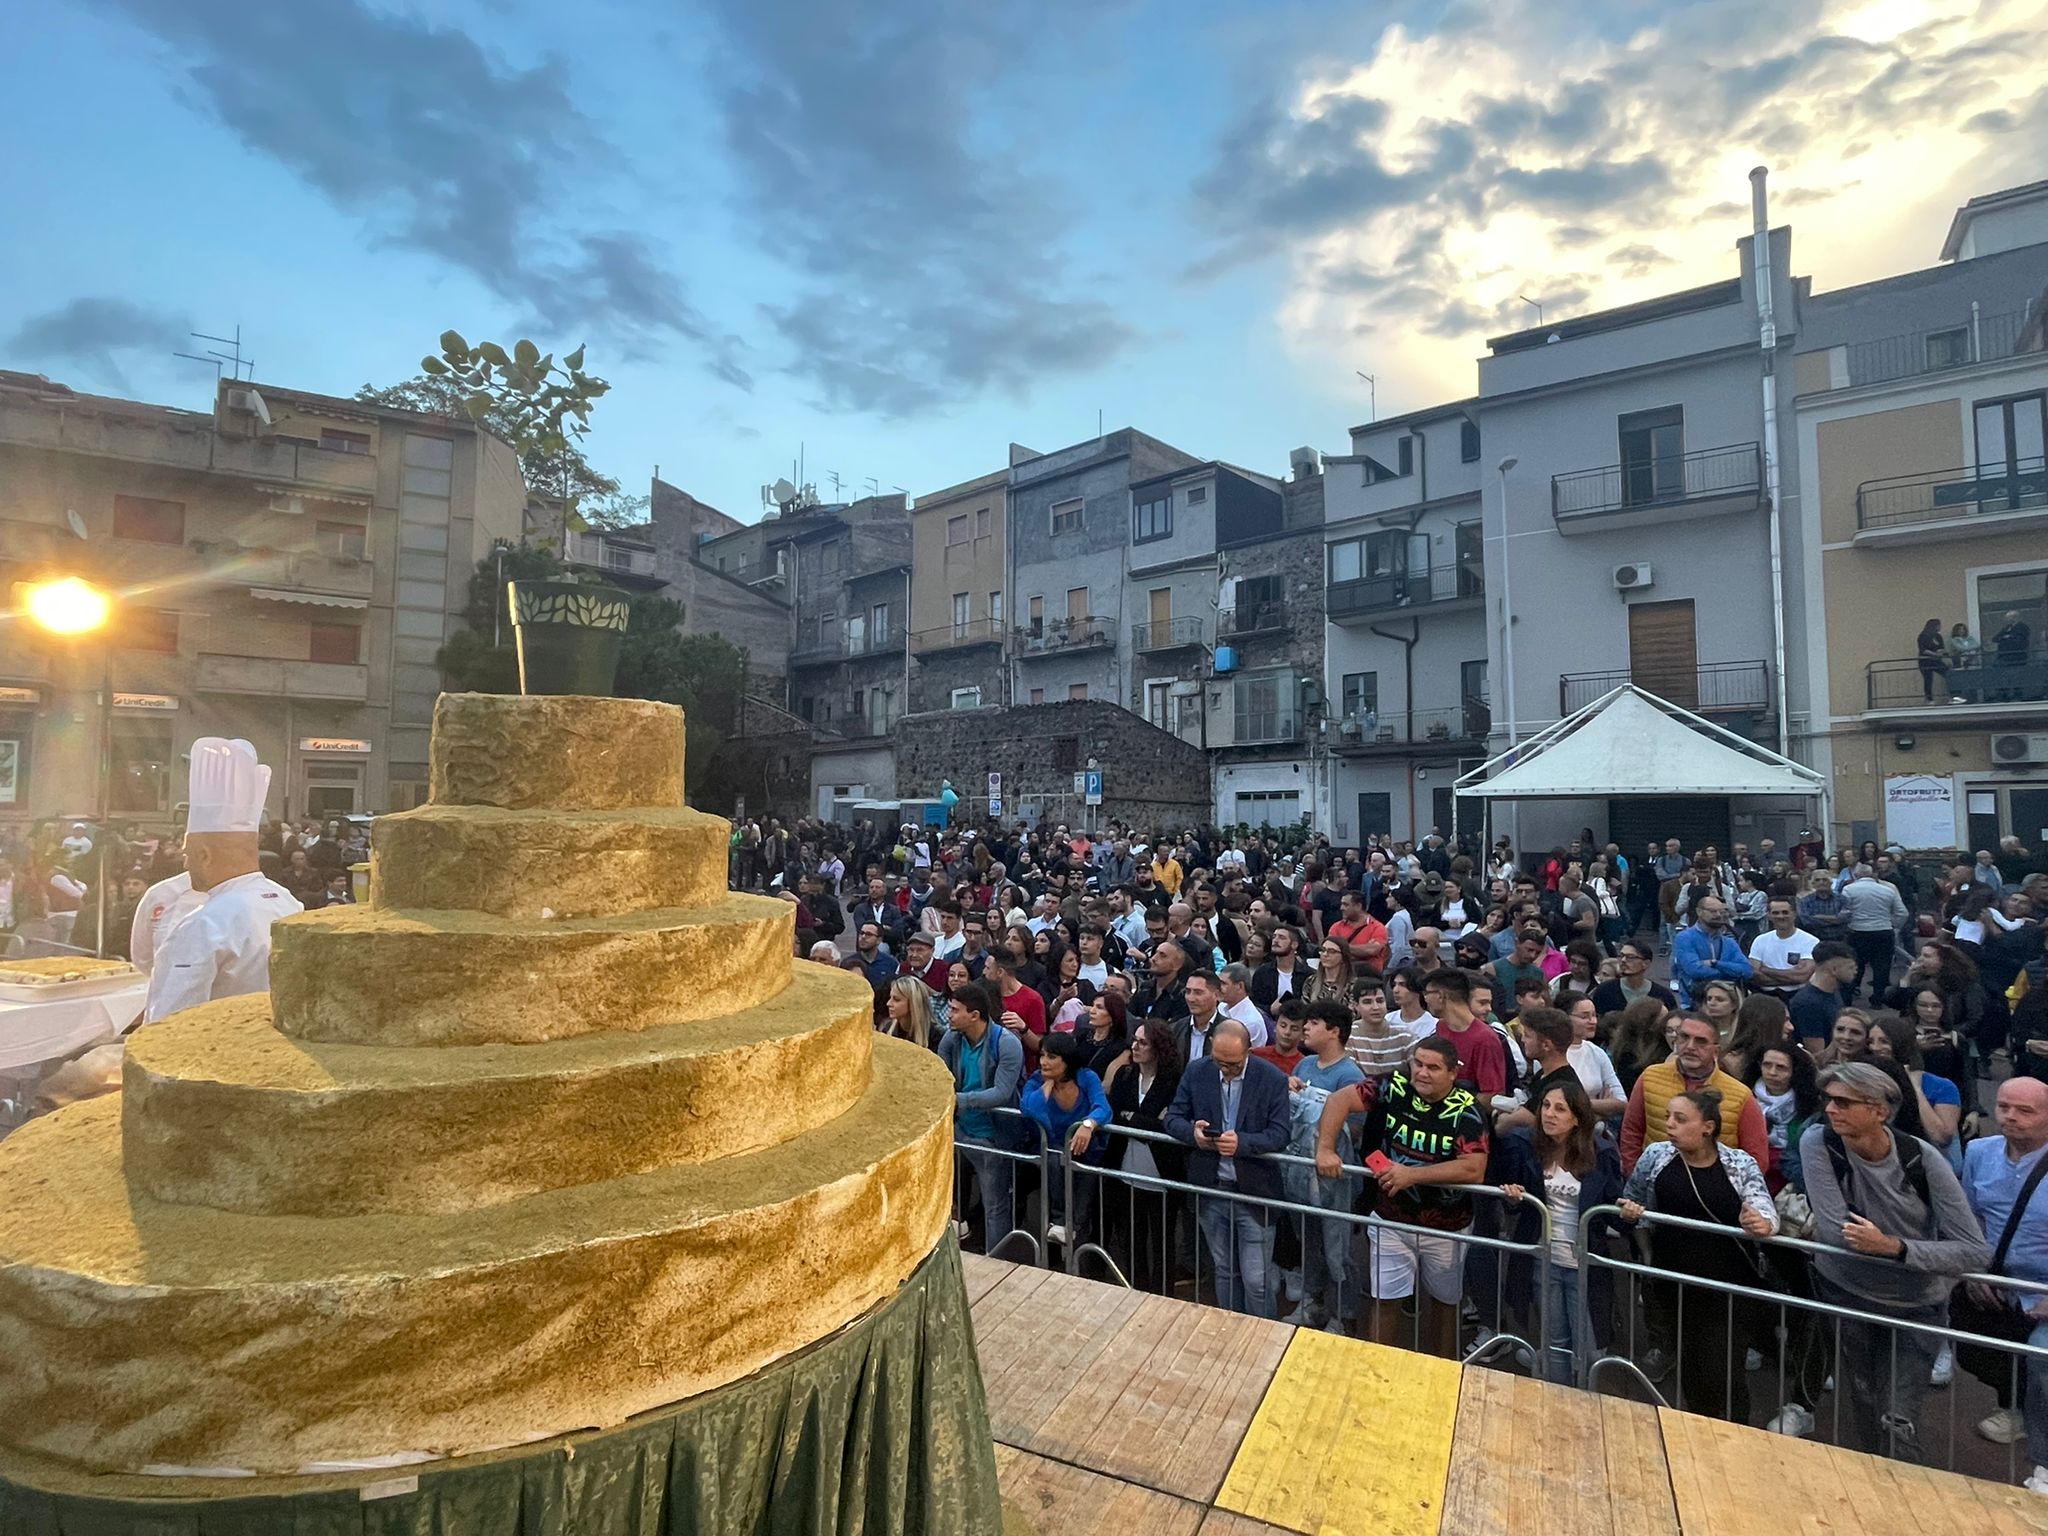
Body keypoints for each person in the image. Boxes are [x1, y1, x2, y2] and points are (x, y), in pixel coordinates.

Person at [1800, 1062, 1990, 1461]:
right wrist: (1883, 1246)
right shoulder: (1819, 1141)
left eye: (1843, 1102)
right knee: (1865, 1400)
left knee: (1898, 1416)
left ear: (1879, 1111)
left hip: (1914, 1305)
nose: (1830, 1109)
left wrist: (1895, 1247)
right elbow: (1838, 1233)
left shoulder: (1922, 1159)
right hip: (1846, 1293)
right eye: (1828, 1099)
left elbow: (1974, 1250)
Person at [1315, 1034, 1489, 1356]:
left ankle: (1444, 1373)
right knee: (1384, 1299)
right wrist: (1325, 1149)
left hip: (1446, 1227)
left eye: (1433, 1067)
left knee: (1445, 1303)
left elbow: (1473, 1168)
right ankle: (1377, 1368)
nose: (1422, 1073)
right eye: (1418, 1064)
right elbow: (1339, 1100)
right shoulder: (1393, 1086)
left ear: (1452, 1073)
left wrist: (1412, 1175)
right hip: (1391, 1218)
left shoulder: (1467, 1111)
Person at [1620, 1090, 1780, 1421]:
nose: (1669, 1125)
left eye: (1680, 1119)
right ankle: (1697, 1434)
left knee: (1722, 1371)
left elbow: (1764, 1207)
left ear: (1707, 1127)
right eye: (1668, 1117)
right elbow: (1632, 1197)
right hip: (1675, 1283)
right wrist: (1634, 1215)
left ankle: (1737, 1436)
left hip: (1729, 1288)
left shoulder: (1739, 1164)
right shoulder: (1656, 1156)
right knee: (1690, 1369)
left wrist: (1761, 1222)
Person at [145, 740, 305, 1024]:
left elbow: (169, 1026)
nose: (185, 864)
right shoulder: (288, 902)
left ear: (204, 854)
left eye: (188, 855)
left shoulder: (204, 924)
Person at [1165, 1017, 1293, 1317]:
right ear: (1211, 1049)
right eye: (1220, 1061)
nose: (1225, 1069)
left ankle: (1262, 1342)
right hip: (1210, 1190)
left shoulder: (1271, 1078)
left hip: (1254, 1194)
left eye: (1233, 1064)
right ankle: (1229, 1334)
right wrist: (1193, 1134)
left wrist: (1243, 1143)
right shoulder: (1198, 1071)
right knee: (1224, 1270)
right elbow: (1173, 1117)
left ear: (1249, 1052)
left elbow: (1281, 1133)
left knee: (1257, 1281)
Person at [1497, 1077, 1623, 1383]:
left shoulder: (1601, 1153)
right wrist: (1513, 1197)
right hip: (1543, 1260)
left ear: (1577, 1117)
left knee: (1590, 1349)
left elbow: (1613, 1213)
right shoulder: (1526, 1146)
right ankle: (1557, 1401)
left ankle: (1585, 1405)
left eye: (1560, 1109)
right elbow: (1515, 1206)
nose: (1549, 1114)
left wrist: (1627, 1213)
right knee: (1554, 1344)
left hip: (1585, 1264)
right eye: (1545, 1106)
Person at [1957, 1077, 2048, 1478]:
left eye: (2025, 1110)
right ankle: (2013, 1407)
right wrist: (1974, 1270)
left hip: (2043, 1288)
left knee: (2042, 1365)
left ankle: (2043, 1465)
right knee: (1978, 1350)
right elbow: (1969, 1218)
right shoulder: (1978, 1152)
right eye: (2004, 1107)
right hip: (1995, 1283)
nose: (2011, 1117)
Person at [1282, 1000, 1367, 1331]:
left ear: (1334, 1031)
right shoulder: (1303, 1066)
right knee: (1311, 1242)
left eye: (1314, 1023)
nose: (1305, 1028)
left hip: (1334, 1178)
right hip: (1300, 1171)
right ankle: (1313, 1303)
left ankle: (1344, 1315)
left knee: (1339, 1250)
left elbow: (1357, 1127)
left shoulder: (1350, 1074)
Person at [938, 980, 1026, 1254]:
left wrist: (959, 1101)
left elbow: (1001, 1092)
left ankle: (996, 1261)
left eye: (954, 1010)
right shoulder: (951, 1038)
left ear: (974, 1015)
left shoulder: (1007, 1043)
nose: (949, 1015)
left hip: (992, 1136)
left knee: (995, 1206)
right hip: (958, 1129)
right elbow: (941, 1077)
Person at [1620, 1012, 1769, 1173]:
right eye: (1684, 1037)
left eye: (1701, 1041)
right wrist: (1635, 1176)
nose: (1690, 1046)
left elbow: (1756, 1159)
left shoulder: (1740, 1096)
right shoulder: (1650, 1077)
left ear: (1716, 1052)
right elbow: (1631, 1132)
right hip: (1653, 1187)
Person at [1102, 1018, 1187, 1291]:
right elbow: (1116, 1116)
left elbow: (1169, 1124)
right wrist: (1146, 1120)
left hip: (1162, 1173)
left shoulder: (1174, 1081)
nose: (1135, 1047)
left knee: (1163, 1240)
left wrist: (1135, 1119)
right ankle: (1135, 1288)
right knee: (1132, 1238)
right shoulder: (1125, 1076)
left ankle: (1163, 1292)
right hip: (1126, 1169)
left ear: (1158, 1047)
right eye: (1134, 1041)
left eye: (1143, 1042)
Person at [1023, 1031, 1114, 1249]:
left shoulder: (1086, 1077)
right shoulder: (1036, 1080)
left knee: (1084, 1184)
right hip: (1050, 1152)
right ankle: (1060, 1221)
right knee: (1055, 1159)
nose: (1044, 1062)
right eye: (1043, 1055)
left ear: (1067, 1059)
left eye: (1052, 1057)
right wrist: (1046, 1086)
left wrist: (1088, 1124)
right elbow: (1028, 1109)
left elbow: (1103, 1108)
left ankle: (1073, 1230)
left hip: (1085, 1153)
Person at [1421, 968, 1508, 1100]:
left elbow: (1493, 1097)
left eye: (1427, 993)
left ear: (1441, 996)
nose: (1425, 999)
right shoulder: (1441, 1027)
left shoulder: (1485, 1039)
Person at [1839, 864, 1910, 1004]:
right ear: (1872, 875)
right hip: (1883, 931)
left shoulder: (1848, 889)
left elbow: (1844, 912)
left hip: (1857, 931)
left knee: (1855, 964)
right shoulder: (1888, 891)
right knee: (1882, 965)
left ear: (1856, 875)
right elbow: (1903, 913)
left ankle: (1848, 997)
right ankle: (1878, 998)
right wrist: (1893, 925)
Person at [1670, 896, 1753, 1008]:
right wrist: (1730, 975)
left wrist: (1715, 963)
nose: (1718, 915)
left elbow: (1747, 971)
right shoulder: (1685, 938)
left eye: (1722, 911)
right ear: (1699, 911)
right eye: (1713, 911)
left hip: (1727, 1006)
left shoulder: (1729, 942)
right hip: (1694, 1004)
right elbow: (1694, 970)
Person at [1558, 990, 1627, 1118]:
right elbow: (1558, 1102)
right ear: (1564, 1017)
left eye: (1594, 1015)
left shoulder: (1597, 1052)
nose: (1593, 1021)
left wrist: (1582, 1104)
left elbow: (1622, 1101)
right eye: (1584, 1017)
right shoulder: (1551, 1051)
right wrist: (1601, 1105)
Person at [1788, 941, 1855, 1057]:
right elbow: (1817, 1055)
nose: (1855, 971)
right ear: (1834, 969)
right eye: (1851, 967)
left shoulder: (1834, 991)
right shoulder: (1808, 1004)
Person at [1748, 895, 1819, 1003]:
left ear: (1794, 914)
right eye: (1775, 913)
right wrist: (1791, 975)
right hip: (1765, 997)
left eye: (1785, 912)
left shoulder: (1810, 941)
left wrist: (1765, 969)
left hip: (1797, 996)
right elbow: (1756, 976)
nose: (1781, 916)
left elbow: (1802, 976)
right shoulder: (1760, 940)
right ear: (1769, 916)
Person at [1590, 938, 1676, 1016]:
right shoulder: (1605, 990)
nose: (1623, 960)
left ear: (1645, 963)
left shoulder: (1662, 995)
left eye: (1630, 957)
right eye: (1621, 956)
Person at [882, 974, 939, 1047]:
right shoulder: (888, 1029)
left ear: (913, 1003)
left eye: (896, 999)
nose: (888, 1003)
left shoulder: (935, 1035)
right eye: (890, 998)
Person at [1917, 617, 1950, 701]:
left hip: (1936, 661)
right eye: (1938, 625)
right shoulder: (1923, 636)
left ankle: (1953, 696)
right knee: (1928, 680)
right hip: (1925, 661)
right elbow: (1923, 650)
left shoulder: (1938, 636)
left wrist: (1941, 652)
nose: (1940, 627)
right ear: (1933, 626)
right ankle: (1929, 699)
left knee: (1949, 674)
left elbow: (1942, 647)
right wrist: (1934, 654)